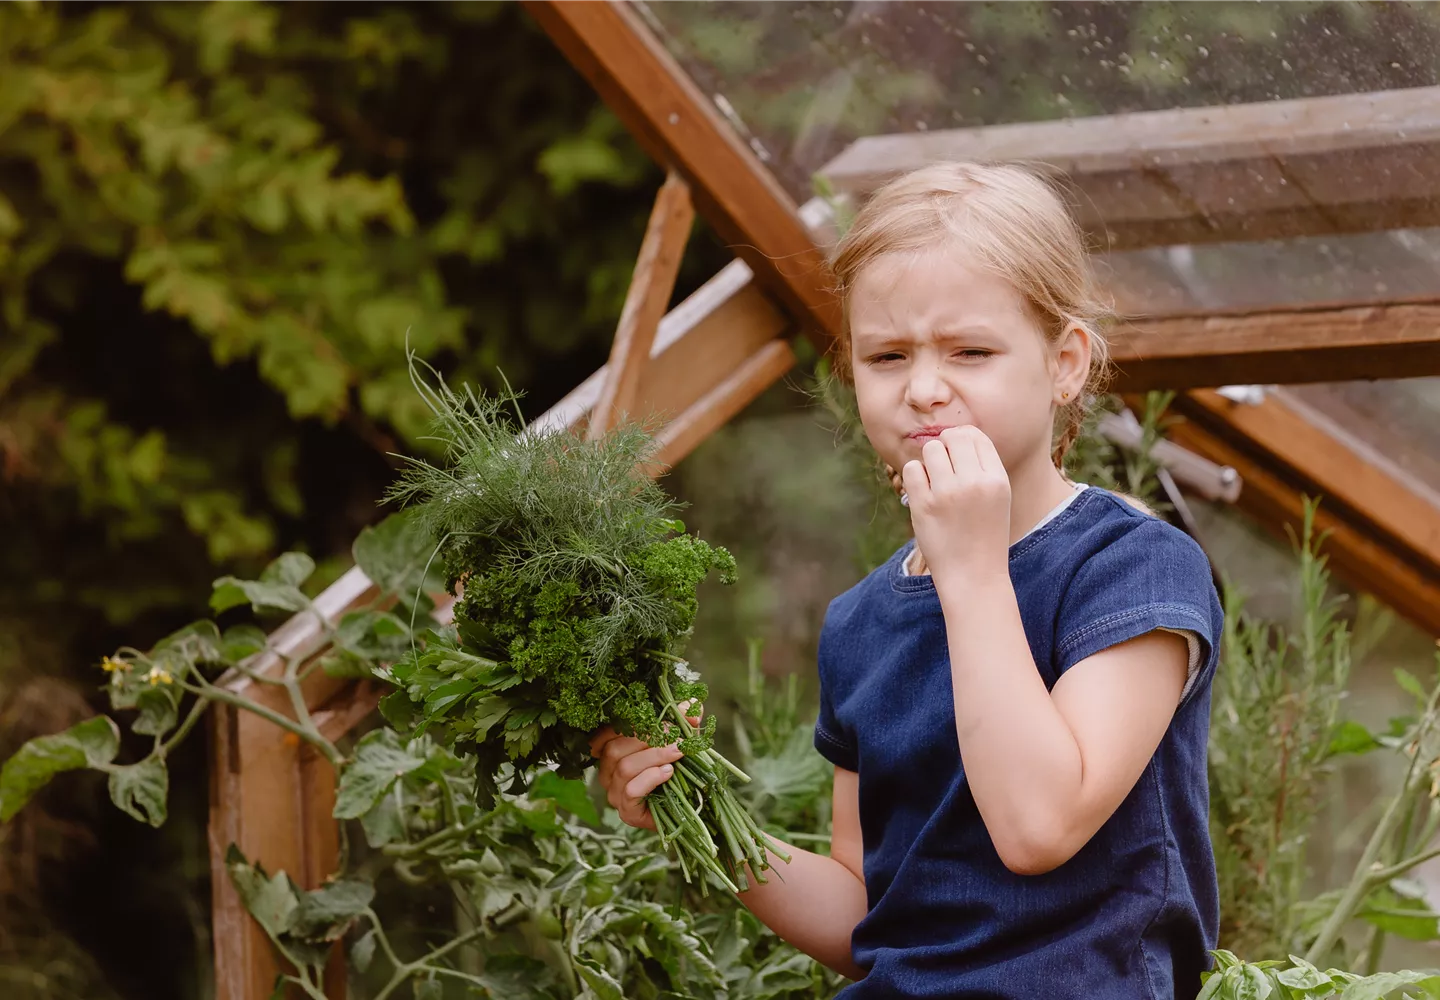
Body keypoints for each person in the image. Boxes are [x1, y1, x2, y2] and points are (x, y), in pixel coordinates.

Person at [589, 162, 1222, 999]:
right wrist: (698, 809)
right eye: (887, 356)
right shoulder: (860, 622)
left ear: (1065, 363)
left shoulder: (1133, 566)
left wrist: (970, 568)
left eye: (970, 351)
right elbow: (866, 917)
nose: (924, 389)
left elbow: (1040, 827)